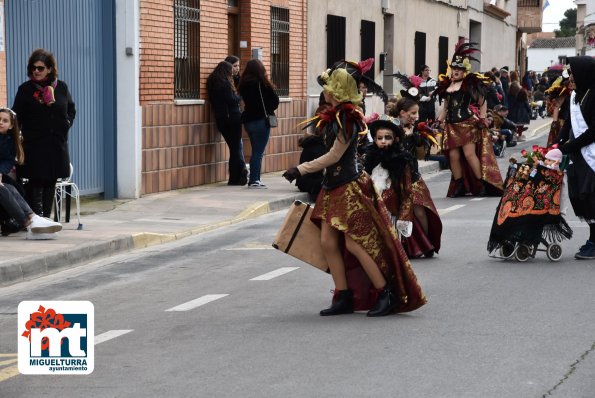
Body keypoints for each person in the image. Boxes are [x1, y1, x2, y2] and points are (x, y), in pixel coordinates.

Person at [282, 61, 426, 317]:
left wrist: (301, 169)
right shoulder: (333, 115)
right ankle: (343, 295)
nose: (324, 90)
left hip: (349, 187)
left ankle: (385, 293)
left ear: (336, 91)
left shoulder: (348, 118)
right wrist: (314, 139)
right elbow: (332, 147)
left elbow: (335, 156)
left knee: (354, 244)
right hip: (332, 186)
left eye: (328, 87)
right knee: (328, 242)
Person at [433, 40, 503, 197]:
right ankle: (459, 184)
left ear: (464, 71)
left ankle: (482, 183)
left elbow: (482, 101)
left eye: (459, 69)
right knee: (453, 156)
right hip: (451, 126)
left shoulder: (468, 85)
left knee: (469, 154)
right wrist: (438, 121)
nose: (456, 71)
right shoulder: (446, 87)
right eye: (454, 68)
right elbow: (445, 108)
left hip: (466, 124)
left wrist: (483, 118)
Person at [12, 48, 76, 218]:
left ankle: (46, 218)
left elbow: (71, 109)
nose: (36, 71)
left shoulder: (61, 87)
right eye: (33, 68)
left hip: (56, 143)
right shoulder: (25, 89)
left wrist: (66, 123)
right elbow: (16, 115)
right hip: (34, 144)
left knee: (51, 181)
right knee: (36, 181)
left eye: (40, 68)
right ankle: (35, 219)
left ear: (49, 69)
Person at [386, 98, 443, 258]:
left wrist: (419, 141)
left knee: (420, 210)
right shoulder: (391, 129)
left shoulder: (414, 129)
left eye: (417, 113)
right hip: (395, 177)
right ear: (402, 113)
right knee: (395, 212)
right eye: (413, 113)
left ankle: (426, 244)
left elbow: (420, 156)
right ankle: (398, 246)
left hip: (414, 176)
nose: (416, 116)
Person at [0, 107, 62, 238]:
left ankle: (33, 217)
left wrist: (0, 172)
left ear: (11, 125)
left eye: (5, 120)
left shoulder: (10, 141)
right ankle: (27, 223)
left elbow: (8, 160)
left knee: (11, 188)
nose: (1, 122)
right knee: (2, 188)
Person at [557, 56, 595, 259]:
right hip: (576, 155)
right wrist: (558, 142)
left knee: (591, 197)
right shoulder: (575, 96)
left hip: (591, 155)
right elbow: (568, 124)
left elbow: (593, 132)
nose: (570, 76)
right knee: (579, 197)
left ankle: (594, 242)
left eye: (573, 72)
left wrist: (569, 146)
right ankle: (592, 239)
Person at [238, 59, 279, 189]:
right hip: (261, 120)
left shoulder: (243, 84)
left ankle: (255, 179)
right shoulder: (263, 84)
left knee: (255, 150)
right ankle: (254, 180)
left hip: (248, 121)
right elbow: (274, 102)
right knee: (258, 152)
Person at [206, 61, 247, 186]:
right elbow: (232, 100)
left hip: (221, 119)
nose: (232, 72)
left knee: (233, 147)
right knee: (235, 148)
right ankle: (239, 173)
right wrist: (240, 95)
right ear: (226, 71)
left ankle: (235, 176)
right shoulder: (225, 84)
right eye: (231, 70)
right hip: (232, 118)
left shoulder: (213, 82)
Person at [545, 71, 573, 147]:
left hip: (573, 121)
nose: (571, 84)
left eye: (572, 81)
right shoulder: (564, 93)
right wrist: (554, 122)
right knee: (559, 143)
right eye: (570, 82)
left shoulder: (577, 92)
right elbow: (557, 107)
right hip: (563, 121)